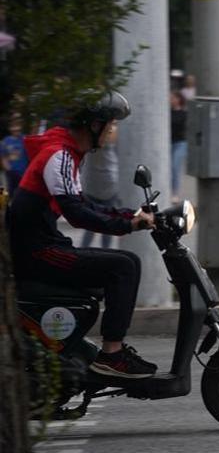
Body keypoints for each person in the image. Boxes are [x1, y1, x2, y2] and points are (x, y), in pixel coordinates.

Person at [6, 92, 158, 378]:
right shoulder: (59, 155)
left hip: (42, 245)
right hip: (37, 252)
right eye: (110, 124)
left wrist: (130, 215)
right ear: (94, 125)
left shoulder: (66, 152)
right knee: (124, 266)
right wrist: (129, 225)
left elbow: (84, 204)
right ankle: (112, 356)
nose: (113, 132)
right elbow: (77, 213)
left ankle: (92, 349)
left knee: (124, 264)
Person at [170, 89, 187, 203]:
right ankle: (169, 190)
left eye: (173, 98)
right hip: (169, 142)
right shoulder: (167, 113)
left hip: (180, 142)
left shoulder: (184, 114)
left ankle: (175, 192)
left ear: (179, 99)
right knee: (169, 167)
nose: (171, 100)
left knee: (175, 166)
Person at [1, 119, 27, 194]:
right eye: (13, 126)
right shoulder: (5, 141)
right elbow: (3, 157)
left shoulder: (25, 139)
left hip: (23, 173)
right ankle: (5, 205)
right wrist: (9, 169)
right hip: (10, 173)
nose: (16, 129)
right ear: (10, 128)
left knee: (21, 195)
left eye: (17, 126)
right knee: (6, 193)